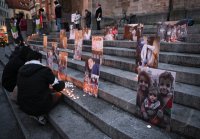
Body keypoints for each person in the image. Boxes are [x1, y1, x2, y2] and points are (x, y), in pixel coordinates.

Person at [17, 51, 65, 125]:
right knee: (59, 95)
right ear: (39, 59)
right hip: (38, 106)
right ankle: (39, 114)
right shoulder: (44, 70)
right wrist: (62, 83)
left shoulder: (21, 69)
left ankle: (34, 112)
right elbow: (58, 87)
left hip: (22, 105)